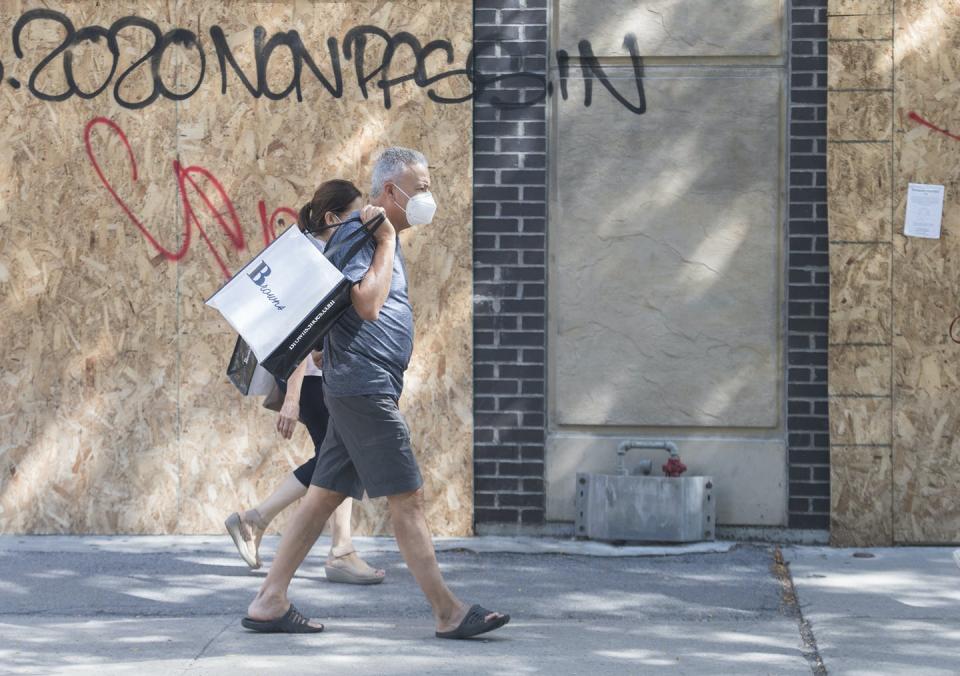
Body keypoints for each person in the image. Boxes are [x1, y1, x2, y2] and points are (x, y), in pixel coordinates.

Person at [241, 148, 510, 639]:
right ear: (391, 191)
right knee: (408, 498)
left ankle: (269, 599)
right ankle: (448, 611)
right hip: (363, 389)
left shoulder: (369, 234)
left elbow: (335, 303)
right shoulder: (364, 233)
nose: (428, 196)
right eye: (421, 187)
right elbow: (365, 303)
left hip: (362, 385)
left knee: (322, 496)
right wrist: (385, 240)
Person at [224, 179, 385, 586]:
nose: (362, 222)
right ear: (333, 218)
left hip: (323, 376)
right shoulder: (318, 257)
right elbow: (301, 332)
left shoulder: (320, 251)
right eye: (354, 215)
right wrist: (292, 395)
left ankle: (337, 548)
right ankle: (262, 521)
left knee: (340, 459)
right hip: (313, 380)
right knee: (339, 459)